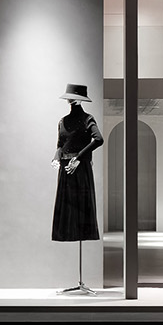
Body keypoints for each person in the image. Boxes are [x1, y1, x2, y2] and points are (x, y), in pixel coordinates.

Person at [51, 82, 103, 242]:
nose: (72, 101)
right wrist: (56, 158)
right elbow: (60, 144)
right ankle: (70, 234)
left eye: (74, 98)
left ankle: (81, 234)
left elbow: (99, 139)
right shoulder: (63, 121)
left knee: (80, 204)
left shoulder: (87, 118)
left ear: (80, 100)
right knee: (68, 205)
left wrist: (79, 157)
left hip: (79, 168)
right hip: (67, 168)